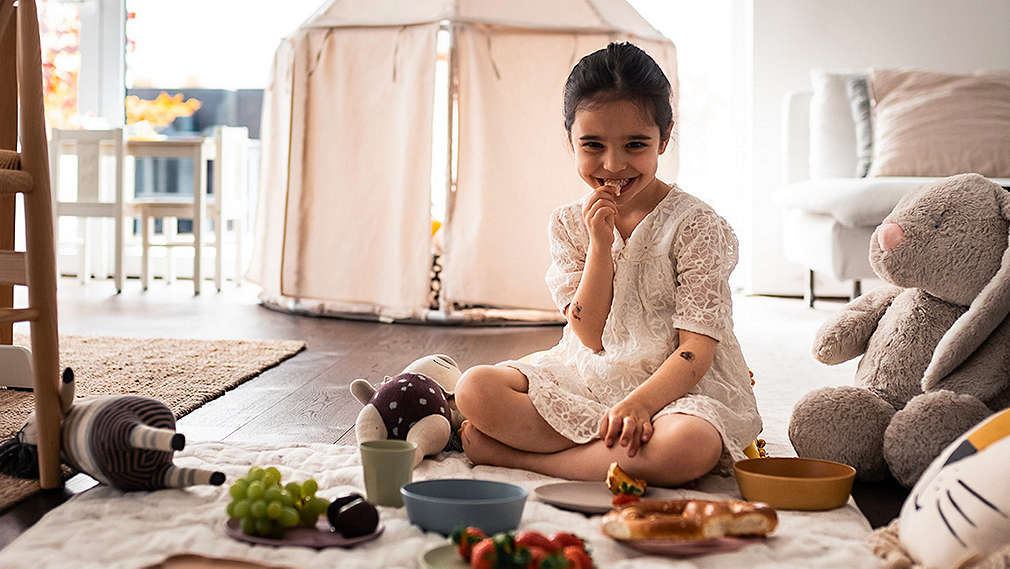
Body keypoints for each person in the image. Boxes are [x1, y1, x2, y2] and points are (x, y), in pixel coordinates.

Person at [454, 42, 761, 487]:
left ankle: (518, 457)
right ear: (571, 141)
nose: (613, 165)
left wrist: (640, 405)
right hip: (587, 376)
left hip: (674, 389)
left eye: (635, 145)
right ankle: (607, 452)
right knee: (474, 389)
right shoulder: (567, 223)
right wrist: (600, 247)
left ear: (664, 139)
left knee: (688, 445)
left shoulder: (696, 225)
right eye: (593, 145)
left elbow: (697, 348)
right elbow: (589, 335)